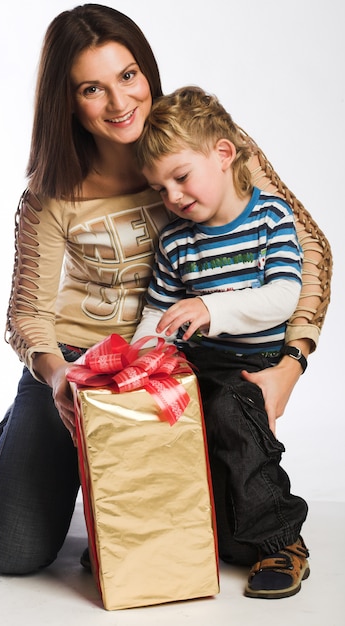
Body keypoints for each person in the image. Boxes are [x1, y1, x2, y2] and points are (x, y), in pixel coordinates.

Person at [0, 3, 331, 599]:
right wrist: (57, 374)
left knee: (217, 530)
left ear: (147, 72)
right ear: (68, 101)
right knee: (15, 553)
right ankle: (23, 431)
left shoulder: (205, 146)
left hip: (177, 359)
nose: (119, 104)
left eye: (128, 75)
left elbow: (308, 250)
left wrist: (290, 365)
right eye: (92, 88)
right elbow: (25, 314)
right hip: (76, 361)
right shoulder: (49, 192)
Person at [132, 85, 310, 598]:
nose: (173, 197)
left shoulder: (268, 218)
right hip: (196, 363)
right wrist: (147, 353)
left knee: (234, 419)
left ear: (224, 154)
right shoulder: (176, 240)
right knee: (167, 425)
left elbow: (283, 295)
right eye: (160, 188)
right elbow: (158, 311)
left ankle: (281, 541)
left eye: (181, 177)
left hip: (250, 365)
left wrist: (213, 309)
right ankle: (149, 536)